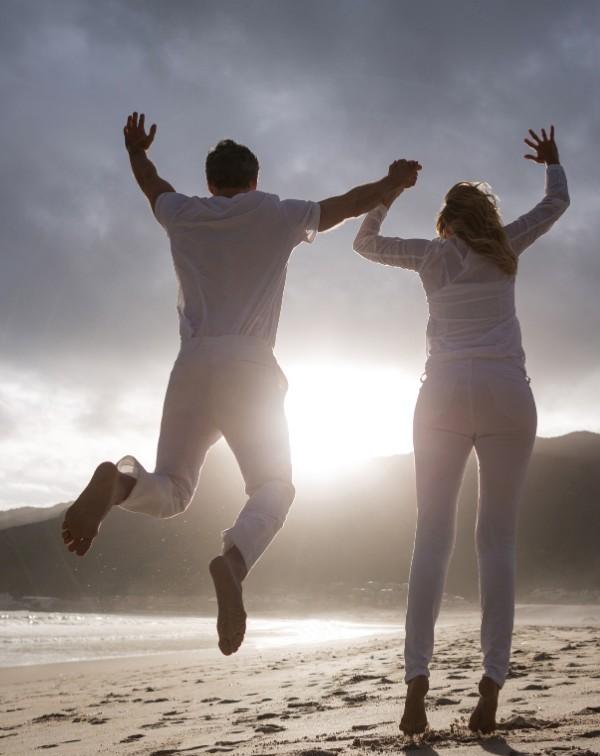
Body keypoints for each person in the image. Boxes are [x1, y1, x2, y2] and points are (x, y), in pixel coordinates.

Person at [61, 111, 420, 657]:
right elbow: (346, 204)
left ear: (210, 183)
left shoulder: (183, 213)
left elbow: (151, 186)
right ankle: (233, 563)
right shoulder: (277, 213)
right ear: (254, 179)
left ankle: (120, 485)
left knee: (175, 488)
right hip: (249, 368)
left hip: (192, 365)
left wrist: (137, 151)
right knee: (275, 487)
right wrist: (392, 183)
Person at [353, 127, 569, 734]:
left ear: (446, 220)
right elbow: (557, 205)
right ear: (487, 216)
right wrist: (552, 164)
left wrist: (390, 191)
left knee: (432, 539)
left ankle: (416, 683)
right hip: (506, 394)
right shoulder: (506, 246)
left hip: (443, 394)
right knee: (495, 542)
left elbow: (363, 244)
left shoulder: (428, 254)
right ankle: (491, 682)